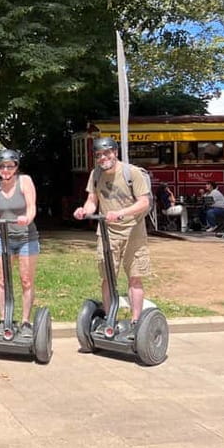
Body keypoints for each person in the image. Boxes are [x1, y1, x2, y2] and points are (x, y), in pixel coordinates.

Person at [73, 137, 152, 332]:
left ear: (115, 153)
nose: (103, 158)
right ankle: (109, 321)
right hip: (108, 233)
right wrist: (84, 210)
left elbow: (144, 202)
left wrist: (120, 213)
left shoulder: (132, 173)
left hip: (133, 231)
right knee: (108, 278)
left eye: (106, 153)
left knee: (135, 277)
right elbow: (92, 200)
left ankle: (136, 323)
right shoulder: (96, 174)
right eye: (98, 155)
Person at [0, 149, 39, 337]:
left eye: (10, 166)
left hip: (26, 237)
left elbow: (32, 207)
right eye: (2, 166)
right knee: (2, 279)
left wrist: (26, 218)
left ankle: (26, 321)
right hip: (3, 238)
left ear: (16, 167)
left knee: (26, 280)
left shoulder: (25, 181)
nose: (6, 170)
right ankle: (4, 319)